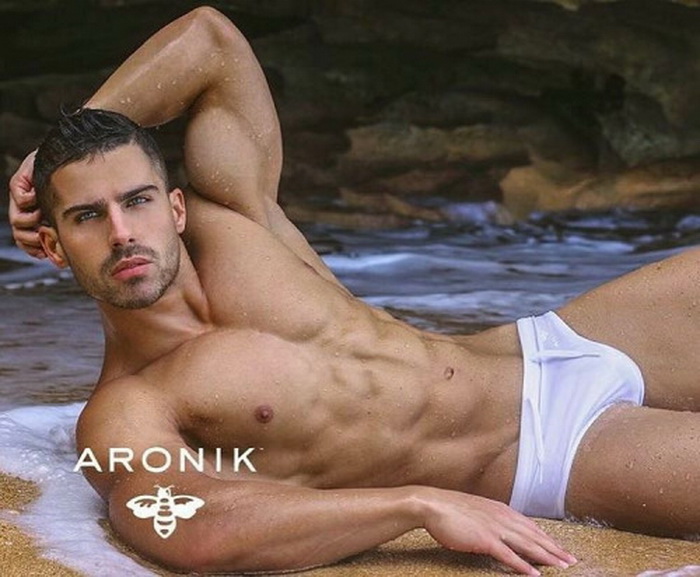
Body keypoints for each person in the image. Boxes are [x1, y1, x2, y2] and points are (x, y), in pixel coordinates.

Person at [7, 6, 700, 575]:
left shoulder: (240, 220)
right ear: (54, 246)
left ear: (176, 207)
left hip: (550, 341)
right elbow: (191, 526)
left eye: (137, 200)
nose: (123, 232)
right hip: (548, 451)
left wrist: (50, 158)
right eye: (87, 216)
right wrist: (415, 505)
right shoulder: (127, 409)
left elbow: (212, 43)